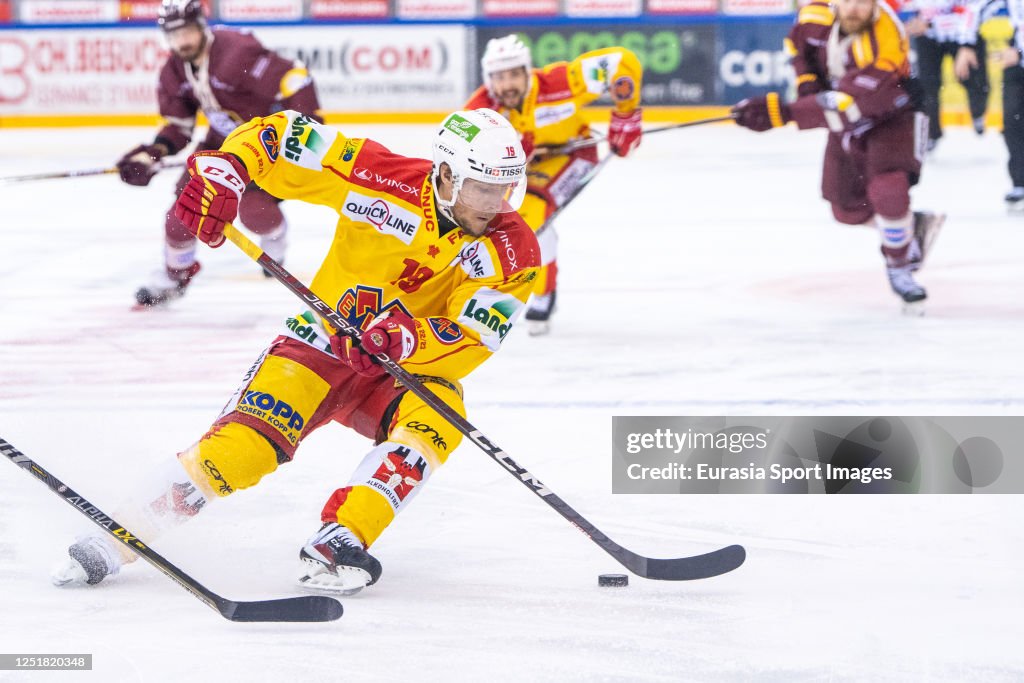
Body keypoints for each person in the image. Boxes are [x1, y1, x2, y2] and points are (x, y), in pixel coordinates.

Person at [52, 108, 539, 595]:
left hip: (399, 365)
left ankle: (342, 535)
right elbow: (283, 135)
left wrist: (410, 338)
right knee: (242, 453)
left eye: (506, 188)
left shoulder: (513, 249)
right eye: (483, 187)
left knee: (439, 416)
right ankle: (119, 533)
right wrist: (230, 169)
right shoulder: (378, 176)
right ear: (448, 175)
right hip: (319, 343)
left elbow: (473, 337)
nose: (496, 204)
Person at [733, 0, 944, 311]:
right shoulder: (815, 15)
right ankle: (909, 228)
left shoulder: (887, 37)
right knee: (845, 208)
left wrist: (785, 113)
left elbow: (852, 103)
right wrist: (807, 86)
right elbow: (799, 49)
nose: (854, 8)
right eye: (847, 1)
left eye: (863, 2)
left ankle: (900, 267)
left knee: (888, 190)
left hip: (894, 113)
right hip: (844, 117)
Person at [117, 0, 321, 306]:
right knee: (180, 216)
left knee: (254, 213)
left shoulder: (236, 52)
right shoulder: (175, 70)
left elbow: (295, 78)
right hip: (220, 145)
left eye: (186, 32)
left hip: (264, 145)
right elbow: (179, 128)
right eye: (173, 36)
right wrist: (152, 154)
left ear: (201, 26)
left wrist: (308, 131)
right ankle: (175, 276)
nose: (181, 41)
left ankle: (276, 241)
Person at [465, 35, 643, 334]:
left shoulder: (560, 83)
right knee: (502, 221)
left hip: (573, 156)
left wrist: (626, 115)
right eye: (499, 77)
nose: (507, 84)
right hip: (520, 168)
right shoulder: (480, 111)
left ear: (527, 72)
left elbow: (621, 62)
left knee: (530, 217)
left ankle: (540, 294)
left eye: (513, 74)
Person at [955, 0, 1024, 207]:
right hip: (1016, 63)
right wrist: (966, 45)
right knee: (1013, 120)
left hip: (1017, 56)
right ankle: (1020, 180)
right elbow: (975, 8)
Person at [903, 0, 989, 150]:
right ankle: (932, 132)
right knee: (926, 85)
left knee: (973, 77)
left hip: (963, 32)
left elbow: (974, 8)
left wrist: (967, 44)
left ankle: (978, 112)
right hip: (927, 36)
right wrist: (909, 20)